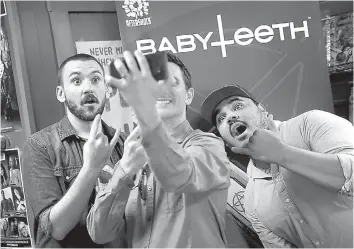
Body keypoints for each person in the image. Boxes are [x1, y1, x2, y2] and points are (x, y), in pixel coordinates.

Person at [86, 51, 231, 247]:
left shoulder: (208, 145)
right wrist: (125, 171)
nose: (160, 90)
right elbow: (100, 233)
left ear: (188, 96)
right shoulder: (128, 160)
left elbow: (180, 175)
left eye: (172, 82)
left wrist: (147, 116)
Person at [200, 85, 354, 248]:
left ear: (262, 110)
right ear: (225, 141)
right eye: (221, 118)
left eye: (237, 106)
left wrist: (282, 154)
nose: (230, 117)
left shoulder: (311, 124)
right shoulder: (252, 202)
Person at [21, 54, 126, 248]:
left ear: (107, 90)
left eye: (95, 79)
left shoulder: (123, 143)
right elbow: (56, 228)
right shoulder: (40, 146)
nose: (88, 88)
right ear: (61, 93)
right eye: (76, 81)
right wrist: (91, 168)